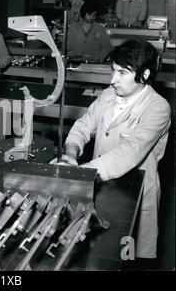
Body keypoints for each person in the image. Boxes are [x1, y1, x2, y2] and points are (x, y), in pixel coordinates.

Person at [60, 40, 171, 259]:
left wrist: (82, 173)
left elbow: (130, 152)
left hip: (133, 190)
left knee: (125, 256)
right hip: (99, 183)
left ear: (145, 74)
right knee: (97, 250)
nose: (113, 80)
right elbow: (83, 126)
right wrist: (71, 154)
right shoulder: (109, 95)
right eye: (113, 71)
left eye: (122, 73)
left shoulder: (158, 108)